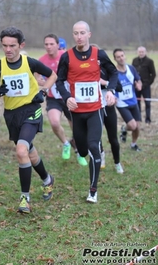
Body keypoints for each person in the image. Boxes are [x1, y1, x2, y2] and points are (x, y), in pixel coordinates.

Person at [0, 26, 56, 215]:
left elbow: (52, 75)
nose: (8, 50)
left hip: (31, 111)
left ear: (21, 45)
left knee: (20, 150)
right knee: (29, 152)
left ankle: (24, 197)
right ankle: (47, 179)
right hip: (11, 115)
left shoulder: (30, 62)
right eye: (4, 46)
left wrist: (43, 90)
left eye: (12, 45)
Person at [56, 21, 118, 203]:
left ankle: (93, 190)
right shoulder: (66, 57)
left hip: (95, 110)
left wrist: (111, 91)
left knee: (92, 147)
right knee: (83, 150)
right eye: (75, 33)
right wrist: (67, 97)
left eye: (82, 32)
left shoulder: (99, 54)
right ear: (73, 35)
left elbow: (113, 73)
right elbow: (59, 81)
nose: (79, 36)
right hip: (77, 111)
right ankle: (93, 148)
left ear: (89, 34)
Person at [37, 33, 87, 166]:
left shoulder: (66, 56)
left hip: (69, 97)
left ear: (58, 45)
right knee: (54, 122)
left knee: (77, 128)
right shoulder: (42, 60)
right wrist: (39, 80)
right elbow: (35, 74)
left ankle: (79, 151)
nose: (48, 47)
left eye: (51, 44)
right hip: (53, 98)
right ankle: (66, 144)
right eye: (46, 44)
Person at [89, 44, 123, 174]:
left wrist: (105, 83)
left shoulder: (106, 69)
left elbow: (118, 87)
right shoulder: (85, 70)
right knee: (96, 137)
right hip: (94, 107)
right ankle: (101, 155)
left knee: (113, 138)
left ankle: (117, 162)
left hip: (108, 107)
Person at [113, 48, 143, 152]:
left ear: (125, 56)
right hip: (122, 103)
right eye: (118, 57)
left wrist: (139, 85)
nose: (121, 58)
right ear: (115, 59)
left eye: (122, 56)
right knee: (132, 125)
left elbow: (138, 79)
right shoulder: (114, 73)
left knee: (137, 127)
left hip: (133, 101)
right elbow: (112, 87)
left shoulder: (131, 68)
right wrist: (114, 96)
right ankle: (124, 128)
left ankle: (133, 144)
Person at [131, 46, 156, 125]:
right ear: (137, 52)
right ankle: (138, 119)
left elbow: (153, 74)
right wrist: (135, 83)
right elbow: (132, 72)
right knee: (137, 103)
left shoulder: (149, 61)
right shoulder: (134, 60)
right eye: (139, 52)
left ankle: (148, 119)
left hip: (146, 86)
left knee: (147, 103)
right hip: (136, 86)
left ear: (145, 52)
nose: (141, 53)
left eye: (142, 52)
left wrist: (147, 84)